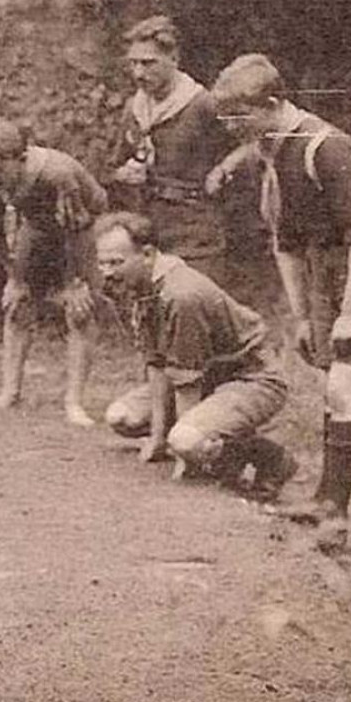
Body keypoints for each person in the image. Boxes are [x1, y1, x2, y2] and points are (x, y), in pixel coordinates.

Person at [212, 54, 351, 552]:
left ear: (273, 104)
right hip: (326, 263)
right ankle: (325, 498)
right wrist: (302, 316)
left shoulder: (326, 149)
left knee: (346, 379)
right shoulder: (271, 151)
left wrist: (349, 314)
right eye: (226, 117)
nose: (232, 127)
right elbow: (286, 244)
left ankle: (336, 515)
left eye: (240, 116)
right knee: (332, 380)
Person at [95, 212, 297, 498]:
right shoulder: (139, 284)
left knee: (187, 441)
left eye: (116, 262)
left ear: (148, 254)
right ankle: (211, 440)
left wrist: (183, 456)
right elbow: (156, 363)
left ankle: (269, 457)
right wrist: (157, 438)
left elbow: (186, 383)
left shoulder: (180, 295)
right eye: (102, 262)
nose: (107, 271)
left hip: (251, 379)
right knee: (122, 418)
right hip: (209, 379)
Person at [0, 120, 107, 427]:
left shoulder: (56, 175)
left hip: (82, 227)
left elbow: (77, 227)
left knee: (80, 310)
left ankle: (74, 402)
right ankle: (10, 391)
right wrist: (14, 278)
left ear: (20, 160)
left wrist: (76, 283)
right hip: (37, 226)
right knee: (17, 304)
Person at [109, 16, 241, 285]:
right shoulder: (134, 108)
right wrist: (125, 172)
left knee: (197, 306)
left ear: (174, 59)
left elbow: (248, 147)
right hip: (149, 231)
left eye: (148, 63)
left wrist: (223, 169)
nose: (138, 73)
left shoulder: (202, 104)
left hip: (197, 234)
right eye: (133, 63)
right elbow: (117, 163)